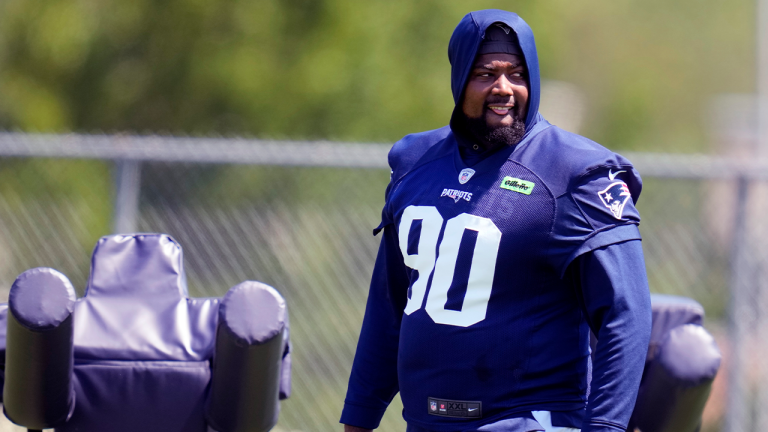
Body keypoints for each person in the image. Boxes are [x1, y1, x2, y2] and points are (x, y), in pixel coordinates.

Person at [341, 9, 652, 432]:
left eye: (517, 74)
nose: (504, 88)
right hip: (426, 422)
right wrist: (359, 415)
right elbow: (390, 304)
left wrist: (606, 428)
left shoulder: (574, 172)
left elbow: (625, 312)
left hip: (528, 420)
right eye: (486, 73)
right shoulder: (416, 162)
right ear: (459, 78)